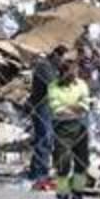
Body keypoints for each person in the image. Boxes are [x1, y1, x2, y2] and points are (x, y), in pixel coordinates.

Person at [47, 59, 91, 199]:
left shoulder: (81, 85)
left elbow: (84, 106)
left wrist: (70, 109)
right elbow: (57, 110)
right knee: (63, 164)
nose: (74, 76)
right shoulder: (53, 87)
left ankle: (78, 194)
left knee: (82, 164)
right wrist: (74, 108)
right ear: (63, 73)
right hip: (62, 130)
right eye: (71, 73)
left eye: (75, 73)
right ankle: (63, 196)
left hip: (80, 128)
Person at [27, 46, 67, 190]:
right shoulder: (44, 67)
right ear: (56, 55)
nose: (63, 62)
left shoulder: (54, 67)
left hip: (50, 108)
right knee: (44, 139)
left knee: (48, 139)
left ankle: (37, 170)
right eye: (62, 58)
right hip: (42, 107)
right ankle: (39, 172)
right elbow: (52, 87)